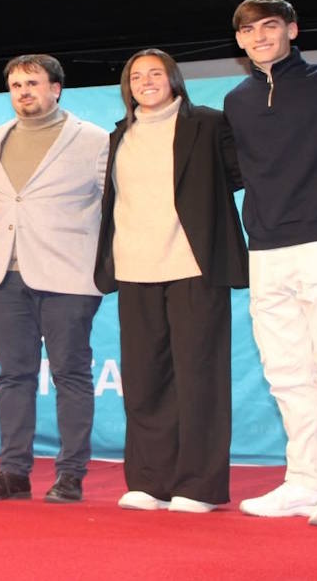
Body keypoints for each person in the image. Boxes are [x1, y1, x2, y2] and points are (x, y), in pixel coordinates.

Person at [223, 0, 317, 525]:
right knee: (286, 373)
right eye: (249, 30)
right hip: (265, 249)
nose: (260, 36)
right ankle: (303, 480)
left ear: (292, 29)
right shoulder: (237, 101)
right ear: (239, 41)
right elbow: (232, 174)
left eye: (270, 26)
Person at [93, 49, 246, 512]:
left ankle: (199, 485)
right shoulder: (121, 135)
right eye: (136, 76)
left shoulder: (209, 124)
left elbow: (238, 178)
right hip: (135, 268)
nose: (145, 81)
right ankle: (149, 480)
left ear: (174, 80)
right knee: (144, 380)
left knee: (200, 377)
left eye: (155, 73)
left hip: (193, 267)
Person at [0, 54, 108, 503]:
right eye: (15, 85)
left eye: (32, 83)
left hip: (68, 275)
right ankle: (13, 472)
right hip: (4, 275)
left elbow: (116, 203)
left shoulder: (92, 139)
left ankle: (71, 474)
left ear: (56, 88)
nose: (23, 92)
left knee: (71, 374)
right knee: (13, 376)